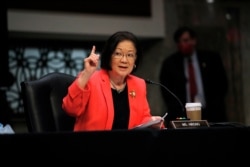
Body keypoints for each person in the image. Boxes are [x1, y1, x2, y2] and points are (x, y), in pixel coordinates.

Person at [62, 31, 164, 131]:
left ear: (135, 60)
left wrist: (152, 122)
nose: (124, 60)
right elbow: (71, 109)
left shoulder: (138, 84)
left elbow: (142, 118)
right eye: (118, 54)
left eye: (130, 55)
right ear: (109, 56)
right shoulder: (90, 79)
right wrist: (86, 74)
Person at [159, 26, 228, 126]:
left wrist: (216, 104)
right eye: (179, 42)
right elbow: (166, 91)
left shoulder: (211, 59)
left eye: (186, 40)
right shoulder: (170, 63)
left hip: (212, 113)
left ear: (194, 41)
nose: (183, 44)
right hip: (182, 116)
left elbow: (222, 84)